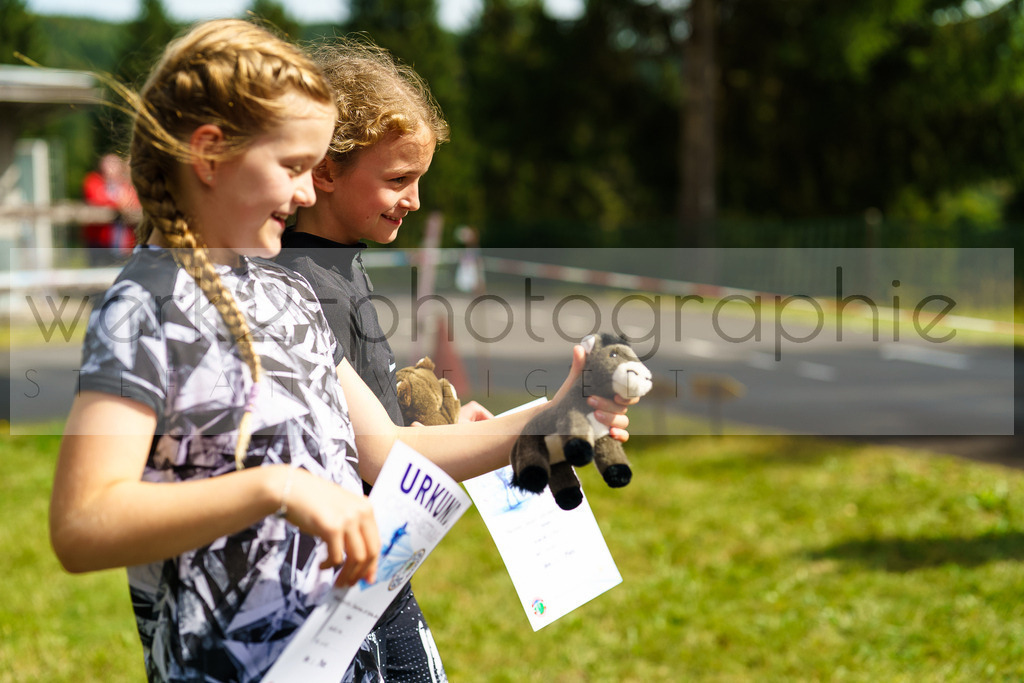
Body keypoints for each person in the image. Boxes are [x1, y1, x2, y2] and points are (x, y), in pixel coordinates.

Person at [49, 20, 632, 683]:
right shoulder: (146, 306)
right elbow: (83, 523)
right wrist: (276, 487)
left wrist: (551, 418)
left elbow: (387, 451)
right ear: (209, 155)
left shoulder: (285, 294)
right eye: (292, 166)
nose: (306, 192)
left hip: (364, 646)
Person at [275, 38, 637, 681]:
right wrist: (548, 420)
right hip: (335, 603)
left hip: (376, 582)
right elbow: (379, 455)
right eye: (397, 180)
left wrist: (446, 425)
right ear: (325, 171)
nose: (414, 200)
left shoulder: (340, 262)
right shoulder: (301, 285)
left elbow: (362, 421)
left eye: (419, 180)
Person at [81, 152, 139, 265]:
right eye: (108, 165)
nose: (110, 169)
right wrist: (119, 203)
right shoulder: (93, 181)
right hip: (99, 241)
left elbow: (135, 203)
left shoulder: (127, 185)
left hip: (124, 243)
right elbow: (95, 199)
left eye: (114, 165)